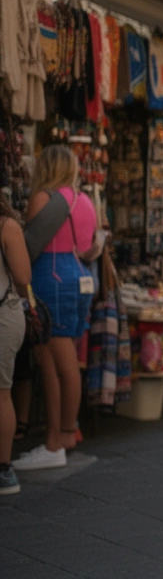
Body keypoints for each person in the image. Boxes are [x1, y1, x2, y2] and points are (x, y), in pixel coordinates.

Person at [13, 146, 101, 472]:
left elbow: (29, 244)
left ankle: (57, 441)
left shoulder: (45, 198)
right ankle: (63, 435)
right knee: (65, 361)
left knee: (54, 362)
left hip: (50, 278)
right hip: (78, 275)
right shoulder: (85, 200)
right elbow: (89, 244)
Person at [0, 195, 31, 493]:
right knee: (1, 394)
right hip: (3, 315)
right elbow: (23, 277)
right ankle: (4, 469)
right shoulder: (8, 226)